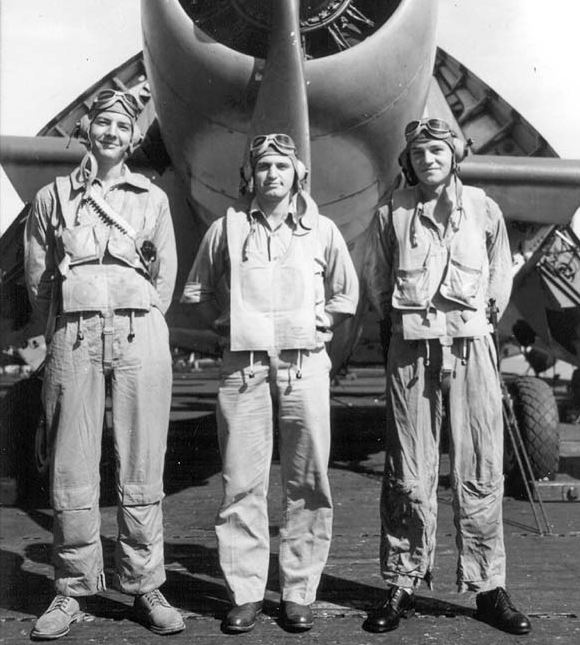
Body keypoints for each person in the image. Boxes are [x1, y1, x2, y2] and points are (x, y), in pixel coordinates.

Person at [182, 133, 359, 633]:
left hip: (305, 366)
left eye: (283, 166)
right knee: (242, 482)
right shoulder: (227, 229)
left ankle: (299, 592)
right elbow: (196, 288)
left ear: (298, 174)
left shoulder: (321, 230)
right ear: (251, 176)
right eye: (264, 167)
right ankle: (246, 593)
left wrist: (327, 324)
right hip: (245, 368)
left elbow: (347, 292)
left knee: (308, 482)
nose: (273, 175)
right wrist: (225, 319)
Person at [24, 90, 184, 639]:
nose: (112, 131)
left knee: (142, 459)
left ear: (132, 136)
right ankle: (71, 589)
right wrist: (70, 323)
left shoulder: (151, 199)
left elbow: (164, 278)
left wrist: (141, 320)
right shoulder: (53, 198)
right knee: (72, 461)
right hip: (75, 333)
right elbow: (40, 279)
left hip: (140, 331)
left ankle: (144, 585)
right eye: (103, 122)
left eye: (122, 124)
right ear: (87, 130)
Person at [363, 118, 531, 635]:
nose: (427, 159)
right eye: (418, 152)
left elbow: (500, 275)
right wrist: (406, 330)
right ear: (408, 162)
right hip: (411, 352)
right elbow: (377, 279)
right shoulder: (392, 212)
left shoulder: (483, 208)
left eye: (437, 150)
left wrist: (476, 323)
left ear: (453, 155)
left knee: (479, 467)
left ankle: (487, 587)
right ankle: (402, 581)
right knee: (408, 472)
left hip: (471, 348)